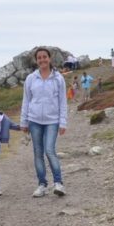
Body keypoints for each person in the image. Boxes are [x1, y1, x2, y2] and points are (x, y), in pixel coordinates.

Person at [20, 46, 68, 197]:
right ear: (36, 60)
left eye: (44, 57)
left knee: (49, 150)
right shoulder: (30, 78)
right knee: (38, 153)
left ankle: (59, 183)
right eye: (39, 57)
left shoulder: (58, 78)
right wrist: (24, 121)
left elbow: (63, 102)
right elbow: (26, 100)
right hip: (34, 121)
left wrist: (63, 122)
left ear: (49, 58)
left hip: (52, 121)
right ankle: (42, 185)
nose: (42, 60)